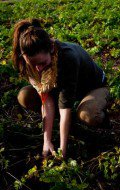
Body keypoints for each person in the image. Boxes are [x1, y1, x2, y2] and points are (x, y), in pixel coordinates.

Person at [12, 19, 110, 157]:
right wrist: (47, 141)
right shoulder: (28, 62)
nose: (38, 69)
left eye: (42, 63)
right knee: (24, 95)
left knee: (88, 114)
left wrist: (62, 150)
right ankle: (71, 124)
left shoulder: (68, 58)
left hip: (92, 87)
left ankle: (103, 124)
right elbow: (46, 100)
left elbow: (65, 107)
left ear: (51, 48)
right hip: (62, 90)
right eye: (33, 64)